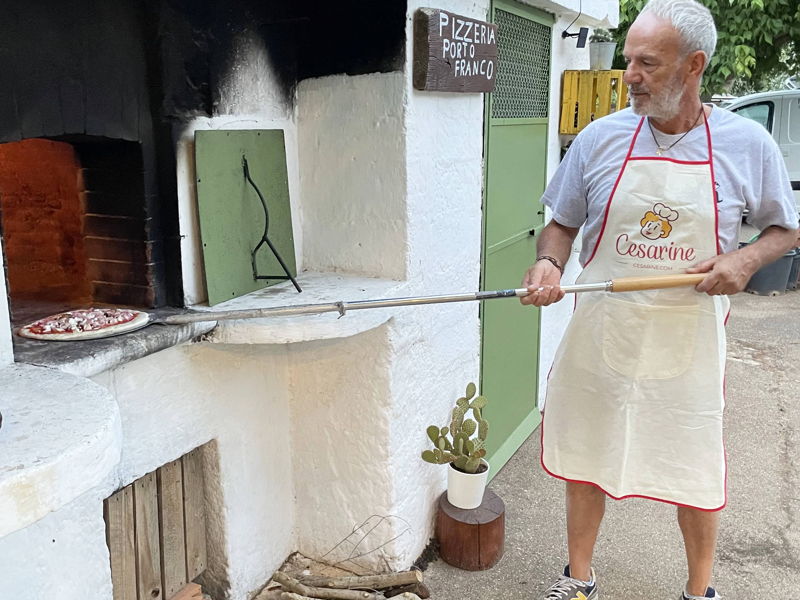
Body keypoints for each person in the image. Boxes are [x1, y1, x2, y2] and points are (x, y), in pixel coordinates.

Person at [519, 1, 800, 599]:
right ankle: (578, 578)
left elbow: (785, 230)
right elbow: (562, 223)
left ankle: (700, 591)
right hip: (605, 330)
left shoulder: (747, 145)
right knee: (587, 452)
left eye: (648, 63)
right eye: (629, 60)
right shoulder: (600, 138)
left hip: (687, 338)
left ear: (694, 65)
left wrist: (744, 260)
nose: (631, 76)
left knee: (693, 467)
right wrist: (549, 263)